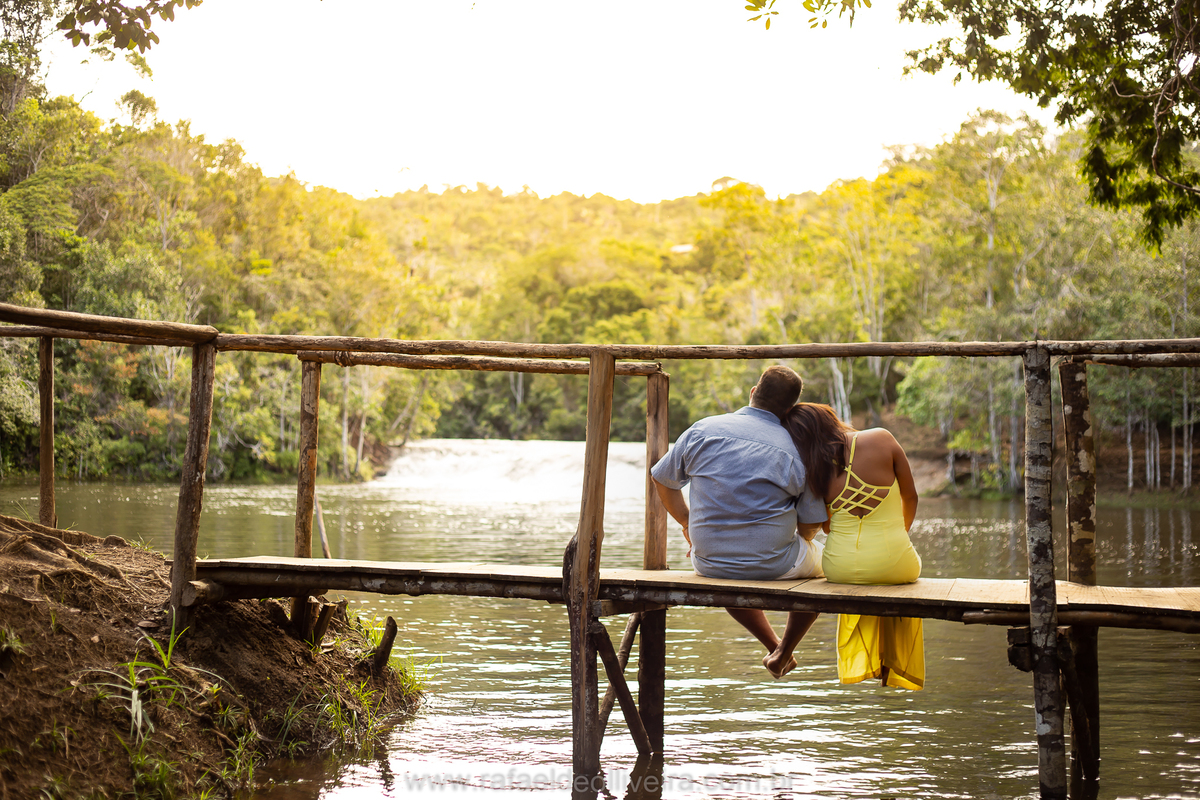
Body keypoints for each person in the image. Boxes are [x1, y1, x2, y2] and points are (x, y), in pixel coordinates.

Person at [650, 365, 828, 679]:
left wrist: (687, 522)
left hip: (709, 563)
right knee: (828, 567)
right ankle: (784, 650)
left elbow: (662, 479)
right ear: (790, 410)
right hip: (776, 564)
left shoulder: (702, 430)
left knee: (731, 572)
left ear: (752, 393)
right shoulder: (796, 450)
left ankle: (773, 646)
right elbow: (810, 524)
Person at [770, 402, 924, 690]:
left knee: (842, 567)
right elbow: (911, 496)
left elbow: (826, 528)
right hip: (896, 564)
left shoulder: (814, 470)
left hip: (840, 570)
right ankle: (889, 665)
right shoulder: (881, 438)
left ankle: (867, 663)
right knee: (892, 571)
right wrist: (898, 536)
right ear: (829, 417)